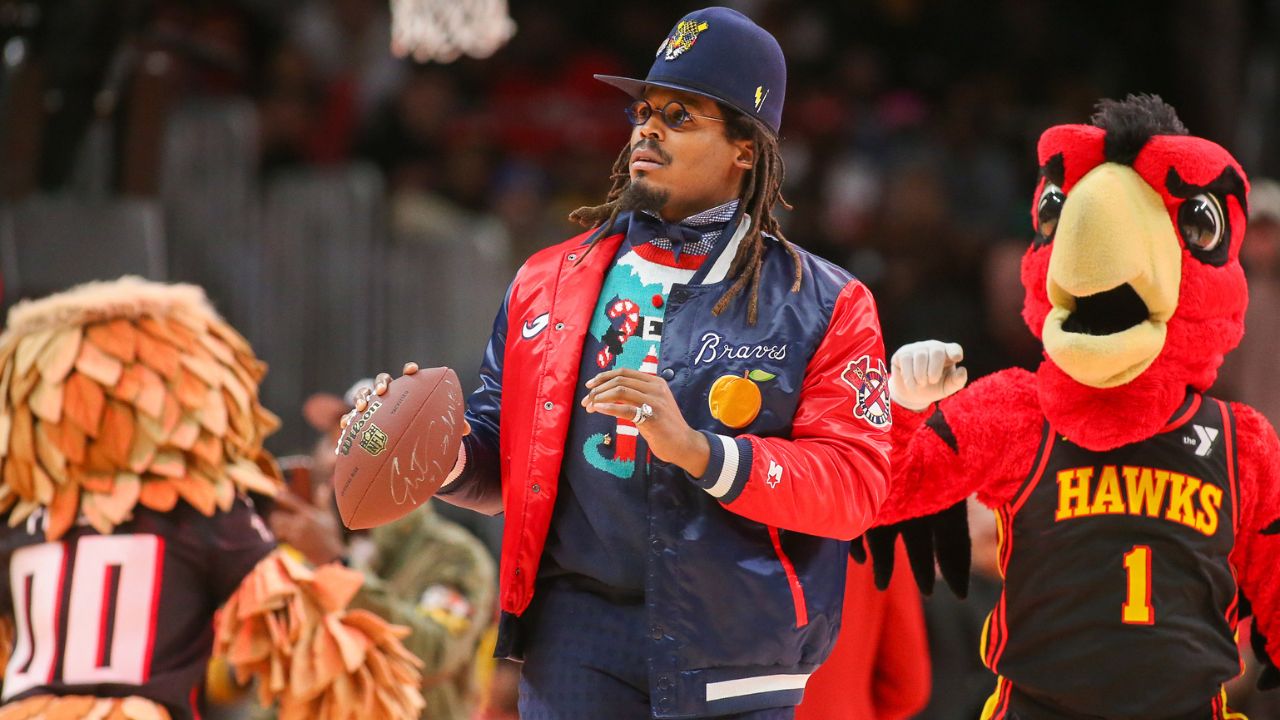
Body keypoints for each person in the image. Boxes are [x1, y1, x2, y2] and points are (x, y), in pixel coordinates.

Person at [354, 7, 892, 718]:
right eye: (643, 112)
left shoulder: (827, 302)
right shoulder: (546, 279)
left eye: (680, 116)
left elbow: (856, 486)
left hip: (735, 640)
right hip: (575, 632)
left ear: (745, 150)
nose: (647, 128)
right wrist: (438, 453)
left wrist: (702, 452)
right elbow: (504, 454)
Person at [266, 386, 497, 720]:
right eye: (335, 437)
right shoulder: (300, 550)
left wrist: (336, 566)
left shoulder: (455, 555)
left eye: (358, 442)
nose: (335, 455)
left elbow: (432, 653)